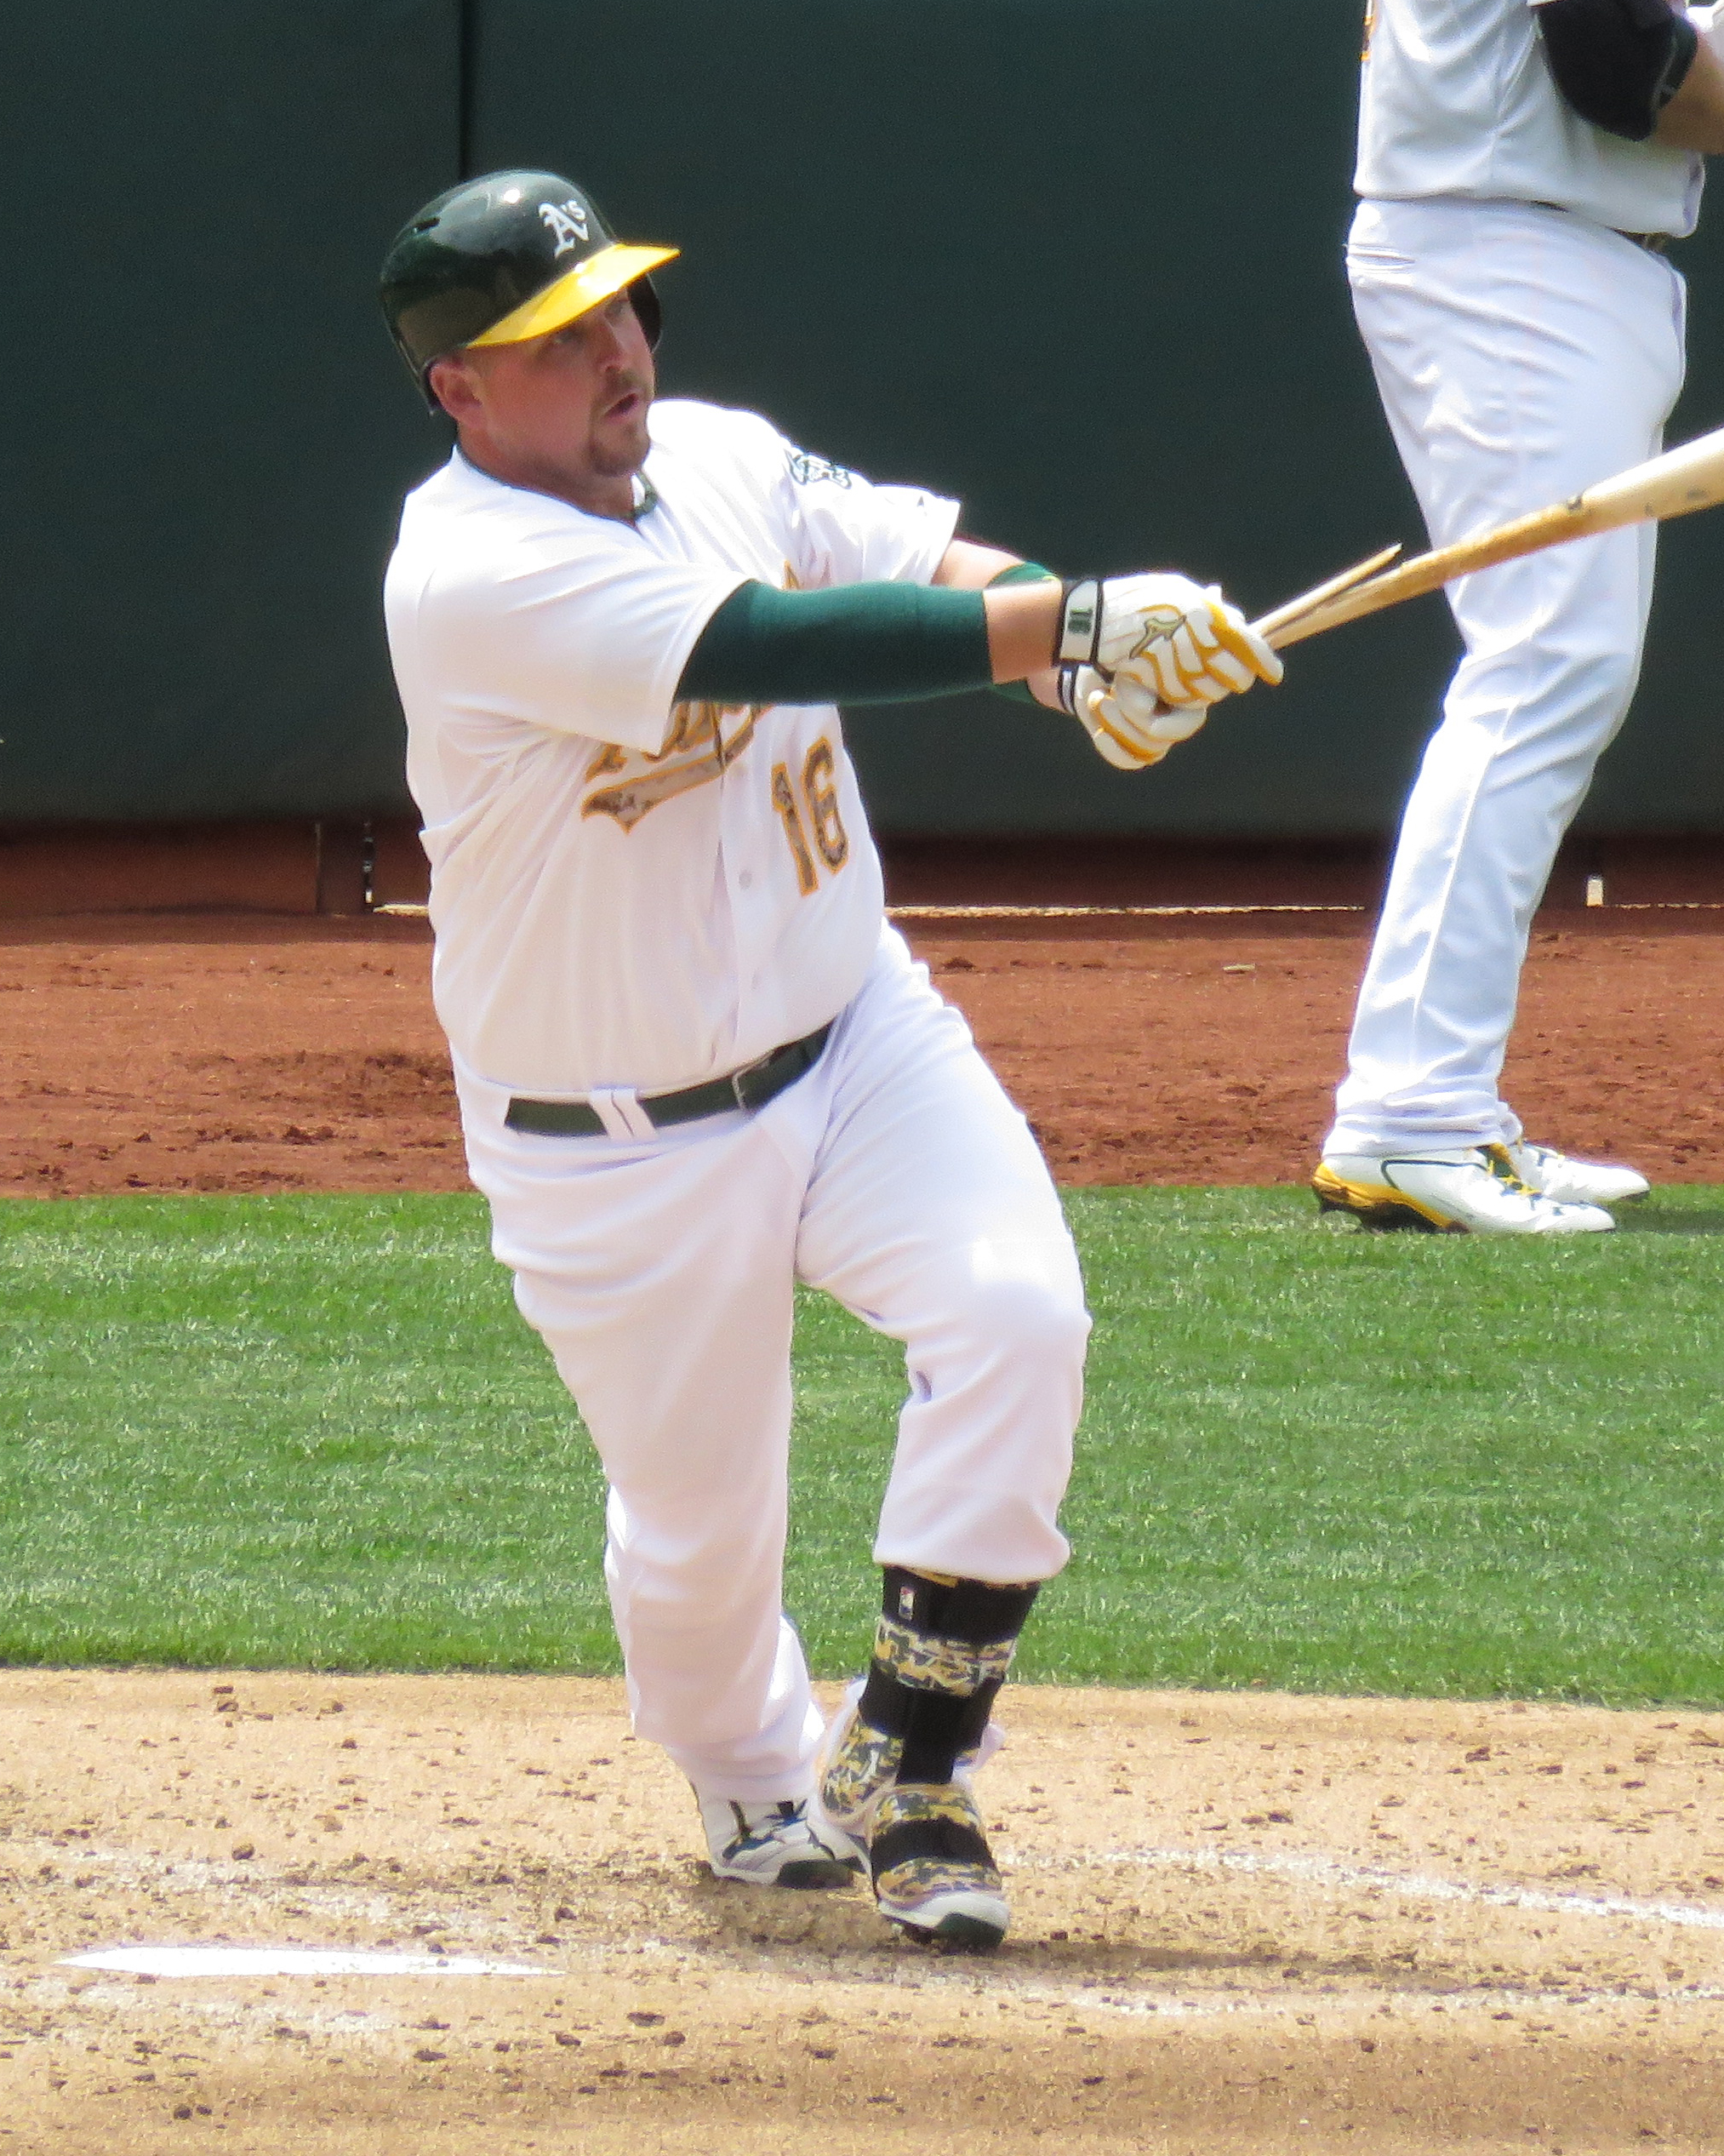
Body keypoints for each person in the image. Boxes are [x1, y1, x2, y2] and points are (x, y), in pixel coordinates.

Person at [377, 169, 1280, 1948]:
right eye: (556, 339)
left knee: (1018, 1313)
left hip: (852, 1023)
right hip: (608, 1134)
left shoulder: (718, 451)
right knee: (698, 1529)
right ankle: (745, 1769)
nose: (616, 350)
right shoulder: (468, 571)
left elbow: (903, 561)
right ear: (458, 390)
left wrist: (1056, 649)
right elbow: (770, 640)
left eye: (623, 308)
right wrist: (1074, 624)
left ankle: (914, 1761)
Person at [1316, 0, 1724, 1234]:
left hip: (1536, 243)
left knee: (1555, 670)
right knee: (1545, 666)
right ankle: (1408, 1118)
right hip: (1506, 249)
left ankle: (1440, 1111)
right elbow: (1618, 52)